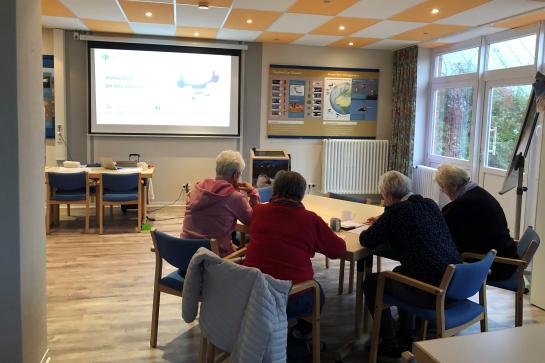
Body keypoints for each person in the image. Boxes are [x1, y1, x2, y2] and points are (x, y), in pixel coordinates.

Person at [243, 171, 346, 356]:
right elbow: (338, 250)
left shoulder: (258, 211)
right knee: (318, 293)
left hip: (254, 291)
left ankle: (270, 331)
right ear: (301, 194)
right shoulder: (310, 219)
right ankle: (300, 334)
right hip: (292, 297)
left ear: (276, 190)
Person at [360, 171, 461, 357]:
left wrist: (383, 221)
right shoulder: (429, 203)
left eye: (384, 197)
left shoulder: (396, 213)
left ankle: (389, 343)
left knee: (372, 282)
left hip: (432, 291)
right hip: (455, 282)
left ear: (388, 196)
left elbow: (367, 239)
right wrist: (385, 221)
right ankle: (406, 333)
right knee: (401, 271)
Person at [436, 164, 519, 281]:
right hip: (505, 254)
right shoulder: (478, 192)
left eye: (442, 187)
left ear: (453, 186)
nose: (442, 191)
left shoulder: (461, 205)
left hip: (493, 265)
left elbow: (443, 234)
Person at [181, 150, 259, 257]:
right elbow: (253, 221)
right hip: (214, 261)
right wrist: (253, 193)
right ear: (235, 175)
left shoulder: (197, 188)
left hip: (185, 255)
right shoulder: (234, 197)